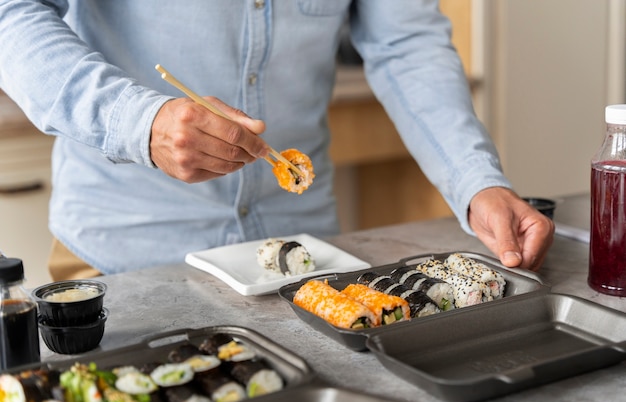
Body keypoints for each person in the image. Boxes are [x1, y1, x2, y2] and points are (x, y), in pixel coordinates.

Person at [0, 1, 553, 280]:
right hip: (122, 258)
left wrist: (476, 182)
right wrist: (138, 122)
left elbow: (406, 43)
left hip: (306, 259)